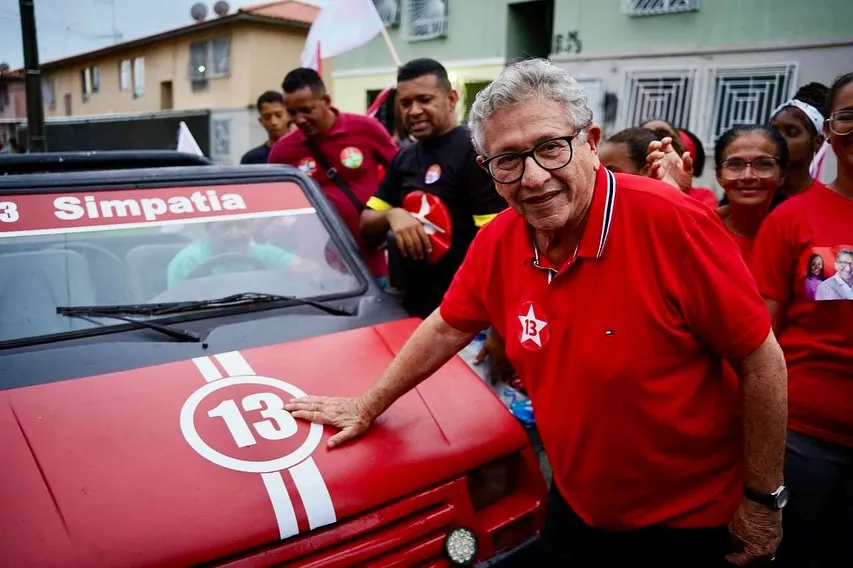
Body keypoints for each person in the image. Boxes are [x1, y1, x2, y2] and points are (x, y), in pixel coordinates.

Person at [286, 59, 789, 568]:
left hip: (689, 521)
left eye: (551, 148)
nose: (533, 178)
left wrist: (764, 499)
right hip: (577, 505)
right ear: (487, 170)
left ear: (591, 143)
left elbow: (761, 360)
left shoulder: (672, 222)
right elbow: (445, 326)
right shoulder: (499, 239)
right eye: (507, 160)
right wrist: (368, 404)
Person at [750, 72, 853, 568]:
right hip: (807, 441)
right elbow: (759, 338)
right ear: (830, 131)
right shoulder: (792, 221)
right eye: (848, 117)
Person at [359, 58, 507, 318]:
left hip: (466, 317)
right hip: (410, 312)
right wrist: (393, 215)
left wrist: (497, 323)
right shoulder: (403, 158)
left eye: (424, 100)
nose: (413, 111)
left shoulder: (476, 153)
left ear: (451, 99)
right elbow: (366, 223)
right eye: (405, 103)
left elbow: (498, 246)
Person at [267, 68, 399, 284]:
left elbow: (401, 173)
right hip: (314, 269)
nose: (299, 120)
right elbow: (271, 204)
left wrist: (388, 217)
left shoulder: (365, 129)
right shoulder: (283, 151)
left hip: (370, 264)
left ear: (326, 101)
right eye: (292, 113)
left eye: (306, 110)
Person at [713, 124, 788, 263]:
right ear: (719, 175)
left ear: (782, 175)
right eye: (735, 164)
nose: (748, 176)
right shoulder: (698, 230)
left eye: (763, 164)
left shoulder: (794, 236)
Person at [167, 220, 298, 288]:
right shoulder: (188, 261)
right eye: (225, 227)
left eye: (242, 225)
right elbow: (181, 313)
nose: (236, 233)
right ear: (208, 230)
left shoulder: (266, 254)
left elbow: (307, 269)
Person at [769, 82, 829, 200]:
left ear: (817, 143)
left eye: (791, 133)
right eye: (773, 131)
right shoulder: (751, 197)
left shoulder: (827, 204)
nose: (777, 139)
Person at [641, 118, 718, 207]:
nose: (656, 144)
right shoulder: (626, 187)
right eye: (646, 136)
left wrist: (675, 193)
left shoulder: (703, 197)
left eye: (664, 137)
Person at [241, 91, 292, 164]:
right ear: (261, 121)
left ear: (289, 116)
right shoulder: (251, 159)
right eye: (267, 117)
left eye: (279, 115)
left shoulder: (302, 152)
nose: (274, 122)